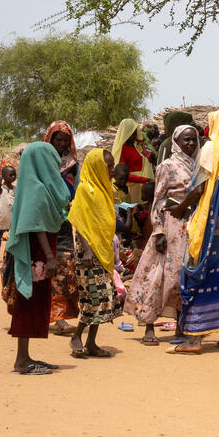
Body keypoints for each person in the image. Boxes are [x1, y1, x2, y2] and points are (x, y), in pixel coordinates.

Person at [171, 110, 219, 354]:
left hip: (212, 223)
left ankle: (195, 339)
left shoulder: (210, 149)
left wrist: (181, 208)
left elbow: (199, 188)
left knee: (201, 274)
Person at [126, 124, 197, 345]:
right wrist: (158, 230)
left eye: (194, 139)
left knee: (182, 278)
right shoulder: (167, 166)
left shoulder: (198, 165)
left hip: (190, 227)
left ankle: (180, 326)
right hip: (169, 226)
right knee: (158, 276)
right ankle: (149, 326)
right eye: (186, 139)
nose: (191, 144)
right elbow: (158, 199)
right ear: (177, 141)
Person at [3, 142, 71, 374]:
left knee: (34, 301)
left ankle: (26, 356)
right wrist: (50, 257)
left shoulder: (33, 185)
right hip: (37, 255)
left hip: (38, 254)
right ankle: (21, 360)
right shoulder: (37, 188)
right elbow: (36, 225)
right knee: (28, 302)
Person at [67, 148, 122, 358]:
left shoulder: (105, 188)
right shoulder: (85, 189)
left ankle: (91, 342)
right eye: (108, 165)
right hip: (88, 252)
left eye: (112, 165)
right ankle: (77, 336)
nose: (112, 169)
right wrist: (88, 250)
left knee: (105, 296)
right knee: (94, 296)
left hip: (103, 249)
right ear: (97, 166)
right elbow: (79, 222)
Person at [112, 118, 154, 203]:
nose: (134, 136)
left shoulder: (136, 146)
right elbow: (122, 174)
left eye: (135, 133)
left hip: (141, 186)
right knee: (134, 212)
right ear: (125, 133)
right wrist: (145, 180)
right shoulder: (122, 149)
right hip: (133, 187)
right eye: (131, 133)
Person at [42, 120, 80, 195]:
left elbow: (77, 186)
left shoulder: (72, 163)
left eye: (66, 140)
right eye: (59, 140)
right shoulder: (42, 159)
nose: (63, 144)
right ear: (51, 139)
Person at [0, 164, 16, 263]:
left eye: (14, 175)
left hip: (12, 218)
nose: (13, 177)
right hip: (0, 218)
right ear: (3, 176)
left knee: (12, 238)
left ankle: (9, 256)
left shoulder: (16, 189)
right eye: (10, 175)